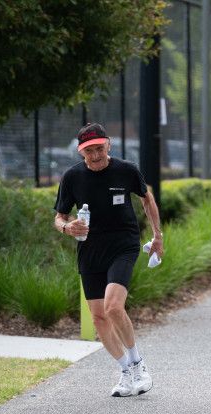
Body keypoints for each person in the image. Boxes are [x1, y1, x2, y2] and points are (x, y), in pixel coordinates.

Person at [53, 123, 164, 397]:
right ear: (81, 153)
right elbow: (59, 217)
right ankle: (125, 372)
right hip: (89, 249)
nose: (95, 155)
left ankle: (139, 365)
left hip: (123, 244)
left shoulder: (126, 170)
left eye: (99, 148)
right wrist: (68, 228)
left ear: (109, 145)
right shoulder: (72, 177)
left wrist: (158, 235)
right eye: (89, 151)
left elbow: (147, 199)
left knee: (114, 307)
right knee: (99, 317)